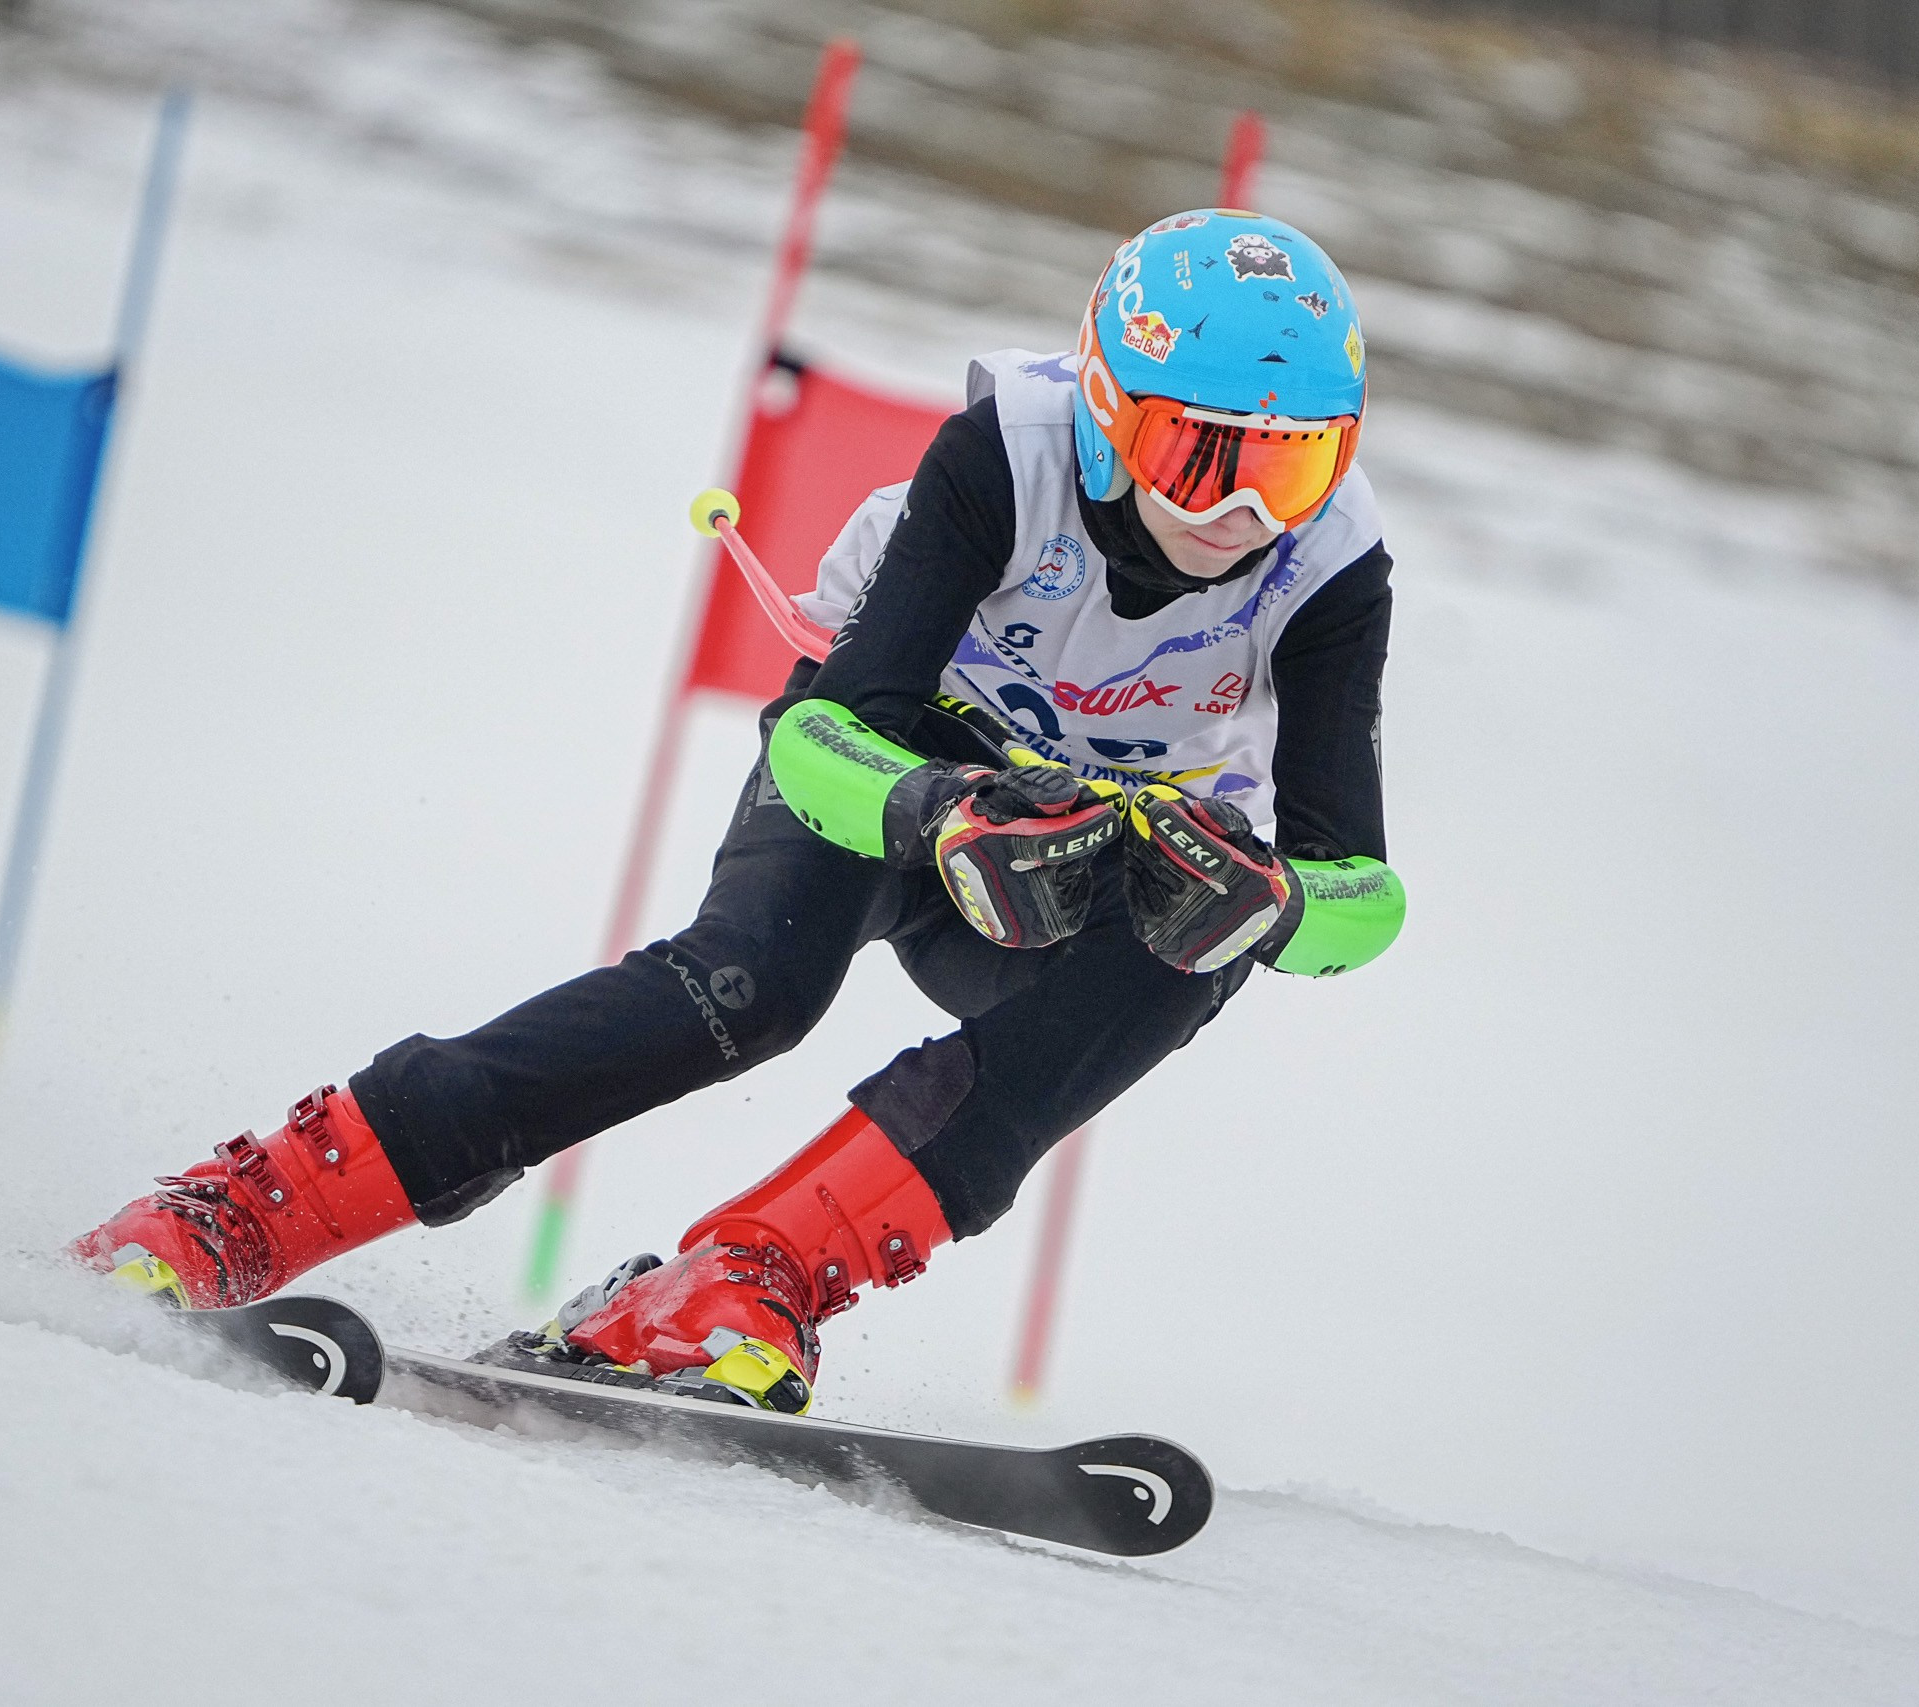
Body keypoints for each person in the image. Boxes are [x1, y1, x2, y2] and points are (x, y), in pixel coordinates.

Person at [70, 210, 1406, 1414]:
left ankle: (737, 1283)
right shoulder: (1009, 454)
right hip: (897, 761)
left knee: (1200, 946)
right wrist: (938, 812)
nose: (1235, 512)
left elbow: (1365, 895)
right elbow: (825, 732)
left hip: (1095, 841)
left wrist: (1281, 902)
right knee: (749, 988)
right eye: (1198, 455)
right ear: (1112, 409)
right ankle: (246, 1205)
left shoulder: (1335, 565)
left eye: (1290, 469)